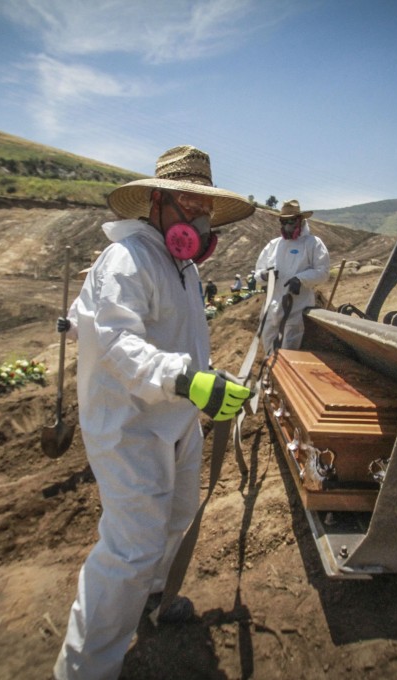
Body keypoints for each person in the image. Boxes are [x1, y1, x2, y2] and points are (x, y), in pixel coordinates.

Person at [53, 145, 254, 680]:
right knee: (130, 549)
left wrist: (208, 380)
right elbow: (117, 342)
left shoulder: (179, 263)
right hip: (129, 427)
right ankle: (83, 670)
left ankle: (152, 597)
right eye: (187, 203)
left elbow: (174, 337)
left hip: (175, 417)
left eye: (202, 207)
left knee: (177, 515)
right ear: (157, 202)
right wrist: (187, 380)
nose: (197, 218)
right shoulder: (128, 258)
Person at [254, 199, 331, 354]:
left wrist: (301, 279)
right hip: (272, 306)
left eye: (291, 221)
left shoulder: (313, 244)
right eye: (284, 221)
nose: (287, 225)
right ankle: (269, 376)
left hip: (297, 307)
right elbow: (257, 274)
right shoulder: (274, 245)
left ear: (300, 221)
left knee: (289, 350)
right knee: (269, 348)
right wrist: (265, 275)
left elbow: (323, 272)